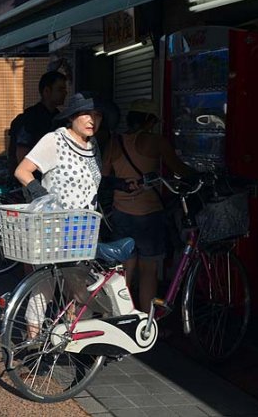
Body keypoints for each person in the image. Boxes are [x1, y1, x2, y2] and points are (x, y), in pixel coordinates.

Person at [14, 93, 104, 338]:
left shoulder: (92, 145)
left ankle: (72, 338)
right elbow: (23, 171)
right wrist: (42, 195)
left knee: (77, 286)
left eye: (97, 115)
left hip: (83, 229)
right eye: (86, 114)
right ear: (72, 116)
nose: (92, 120)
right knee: (45, 284)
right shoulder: (54, 140)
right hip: (53, 225)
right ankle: (31, 339)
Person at [103, 98, 196, 313]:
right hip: (148, 215)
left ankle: (121, 318)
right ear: (149, 120)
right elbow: (179, 170)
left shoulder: (114, 142)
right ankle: (146, 323)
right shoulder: (156, 141)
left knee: (125, 271)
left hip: (120, 214)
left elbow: (105, 177)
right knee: (148, 271)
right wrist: (201, 175)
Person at [8, 71, 68, 178]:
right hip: (31, 179)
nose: (65, 93)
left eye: (65, 89)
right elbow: (21, 151)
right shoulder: (30, 118)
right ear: (46, 91)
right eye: (60, 89)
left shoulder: (59, 118)